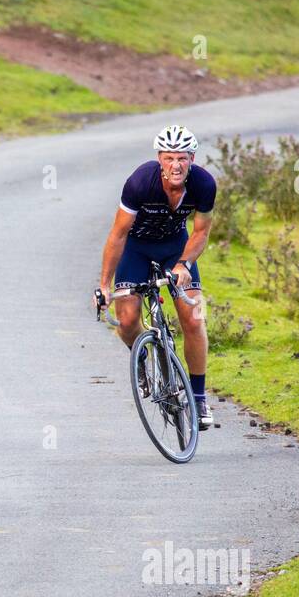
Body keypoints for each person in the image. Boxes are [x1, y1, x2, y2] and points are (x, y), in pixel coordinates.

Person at [98, 125, 216, 429]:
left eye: (182, 158)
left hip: (176, 249)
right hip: (136, 249)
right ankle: (140, 359)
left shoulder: (204, 185)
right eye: (168, 158)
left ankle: (199, 397)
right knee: (126, 320)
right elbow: (118, 234)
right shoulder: (140, 182)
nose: (175, 165)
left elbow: (201, 232)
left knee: (193, 318)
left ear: (192, 158)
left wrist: (185, 265)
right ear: (159, 159)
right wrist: (104, 284)